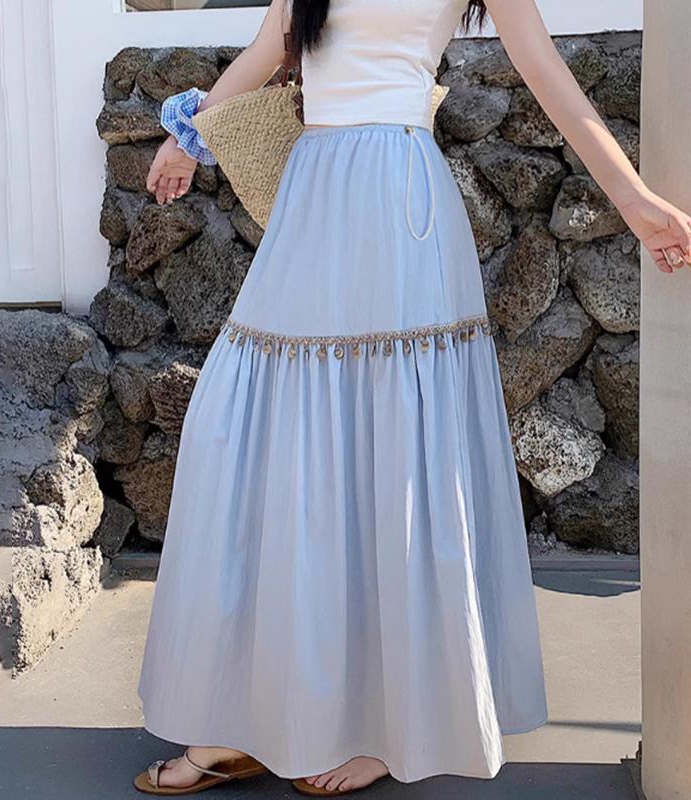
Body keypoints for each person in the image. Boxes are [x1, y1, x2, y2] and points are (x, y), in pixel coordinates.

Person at [134, 0, 691, 796]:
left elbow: (544, 70)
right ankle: (243, 720)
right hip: (314, 194)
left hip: (402, 204)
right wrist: (183, 141)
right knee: (252, 425)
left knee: (391, 445)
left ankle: (386, 726)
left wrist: (632, 200)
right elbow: (267, 50)